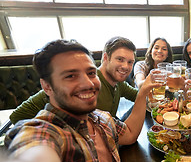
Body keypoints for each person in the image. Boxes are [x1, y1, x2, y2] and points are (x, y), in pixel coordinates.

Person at [5, 39, 160, 162]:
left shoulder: (102, 119)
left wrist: (144, 91)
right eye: (71, 76)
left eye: (91, 73)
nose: (88, 83)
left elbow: (130, 134)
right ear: (47, 86)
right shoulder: (46, 134)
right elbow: (35, 154)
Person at [9, 36, 138, 124]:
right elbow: (18, 116)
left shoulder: (118, 83)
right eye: (120, 59)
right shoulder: (82, 86)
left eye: (130, 62)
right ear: (105, 58)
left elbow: (138, 96)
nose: (126, 66)